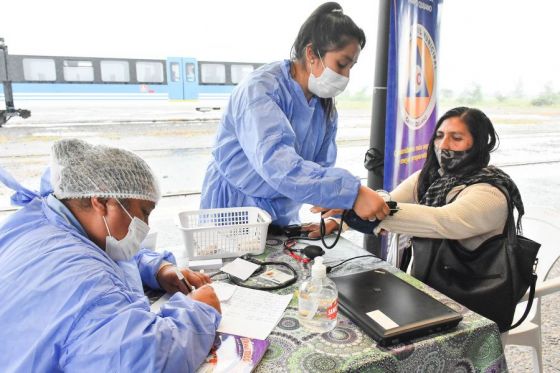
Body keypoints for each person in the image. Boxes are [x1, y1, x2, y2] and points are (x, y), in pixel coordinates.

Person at [0, 139, 221, 372]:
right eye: (144, 213)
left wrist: (157, 268)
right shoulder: (86, 284)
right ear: (101, 202)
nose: (145, 225)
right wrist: (200, 312)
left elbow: (105, 251)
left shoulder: (44, 218)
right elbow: (144, 361)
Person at [200, 2, 389, 237]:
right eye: (341, 64)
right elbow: (278, 165)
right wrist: (353, 192)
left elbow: (319, 169)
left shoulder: (324, 106)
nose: (345, 76)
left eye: (351, 67)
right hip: (235, 210)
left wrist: (336, 204)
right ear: (311, 53)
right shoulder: (260, 91)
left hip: (282, 214)